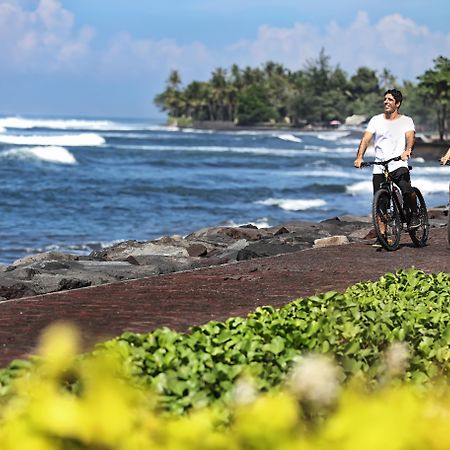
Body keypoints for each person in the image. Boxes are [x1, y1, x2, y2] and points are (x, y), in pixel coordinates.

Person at [353, 89, 420, 235]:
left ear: (398, 103)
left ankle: (414, 214)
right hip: (380, 165)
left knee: (407, 190)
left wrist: (407, 150)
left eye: (390, 99)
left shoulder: (406, 121)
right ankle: (382, 236)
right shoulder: (376, 120)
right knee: (380, 203)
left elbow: (411, 137)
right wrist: (359, 157)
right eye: (385, 99)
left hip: (398, 163)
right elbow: (365, 139)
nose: (386, 102)